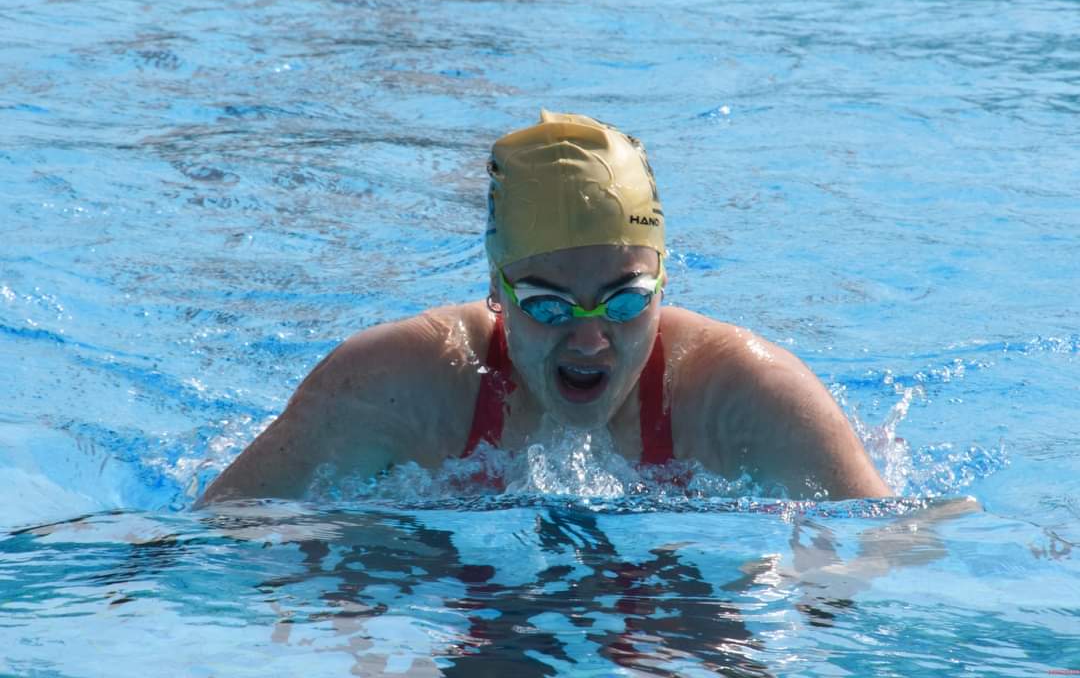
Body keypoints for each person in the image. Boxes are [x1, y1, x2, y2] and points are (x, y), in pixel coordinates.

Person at [199, 110, 889, 505]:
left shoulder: (749, 396)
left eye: (624, 300)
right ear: (497, 289)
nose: (590, 341)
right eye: (550, 306)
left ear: (664, 282)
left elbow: (890, 550)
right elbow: (220, 537)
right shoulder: (392, 385)